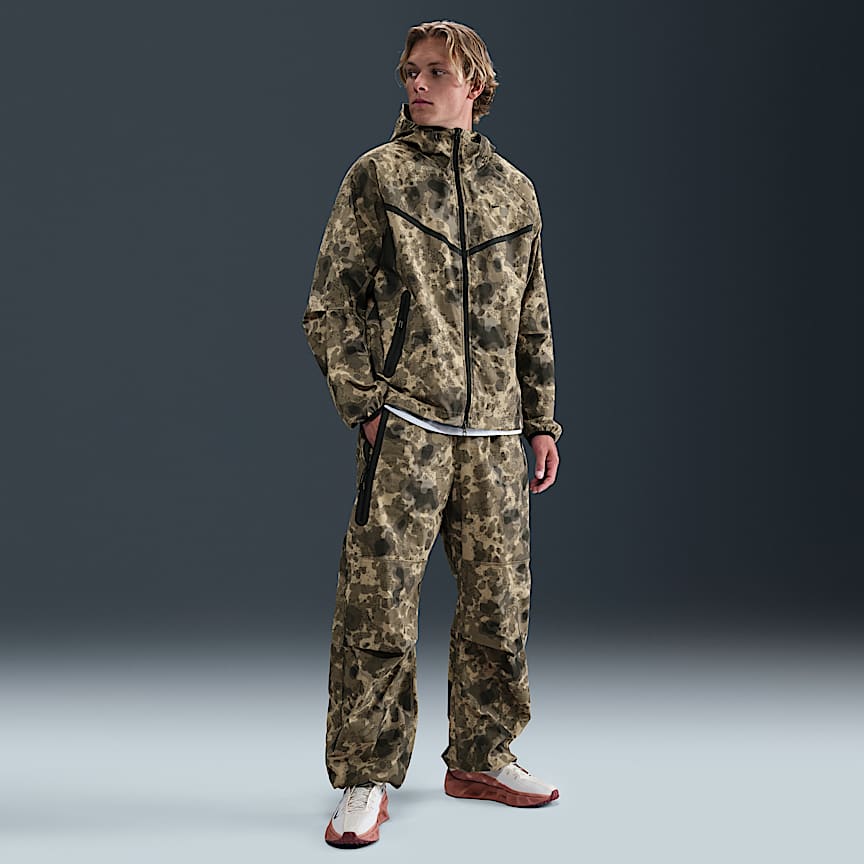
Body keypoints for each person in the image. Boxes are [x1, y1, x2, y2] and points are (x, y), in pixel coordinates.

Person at [303, 19, 563, 848]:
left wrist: (540, 419)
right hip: (409, 429)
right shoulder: (377, 176)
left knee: (500, 603)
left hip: (495, 436)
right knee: (378, 603)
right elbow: (330, 303)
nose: (416, 84)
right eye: (409, 71)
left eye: (435, 72)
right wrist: (365, 402)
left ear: (474, 86)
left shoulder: (514, 192)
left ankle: (483, 756)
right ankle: (366, 775)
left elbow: (532, 316)